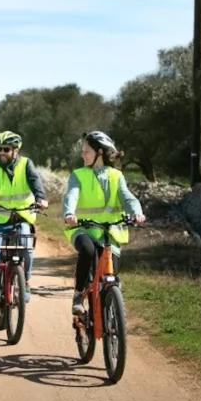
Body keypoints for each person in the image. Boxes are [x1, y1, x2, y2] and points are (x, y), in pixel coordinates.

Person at [62, 131, 145, 316]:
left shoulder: (116, 176)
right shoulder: (78, 175)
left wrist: (136, 213)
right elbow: (72, 195)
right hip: (82, 228)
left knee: (111, 276)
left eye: (86, 151)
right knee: (88, 251)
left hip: (109, 232)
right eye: (82, 151)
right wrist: (68, 212)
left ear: (99, 153)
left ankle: (111, 314)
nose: (82, 155)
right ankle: (78, 294)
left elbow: (127, 197)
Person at [0, 131, 48, 311]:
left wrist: (41, 198)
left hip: (21, 217)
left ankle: (25, 281)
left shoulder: (26, 164)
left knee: (27, 249)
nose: (1, 152)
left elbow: (35, 182)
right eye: (0, 149)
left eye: (6, 149)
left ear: (15, 151)